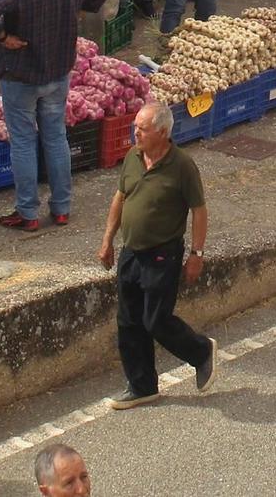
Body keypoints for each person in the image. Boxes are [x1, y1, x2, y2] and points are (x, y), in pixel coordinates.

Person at [0, 0, 117, 232]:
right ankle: (62, 208)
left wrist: (1, 37)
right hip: (57, 72)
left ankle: (28, 213)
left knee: (24, 142)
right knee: (55, 137)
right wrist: (80, 10)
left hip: (21, 74)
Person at [98, 103, 216, 409]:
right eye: (136, 127)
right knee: (128, 321)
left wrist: (197, 254)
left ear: (162, 132)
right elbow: (120, 198)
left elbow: (199, 211)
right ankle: (142, 386)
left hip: (163, 254)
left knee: (155, 320)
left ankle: (201, 352)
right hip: (131, 253)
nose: (135, 132)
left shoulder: (183, 166)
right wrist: (108, 239)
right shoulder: (132, 158)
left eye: (142, 128)